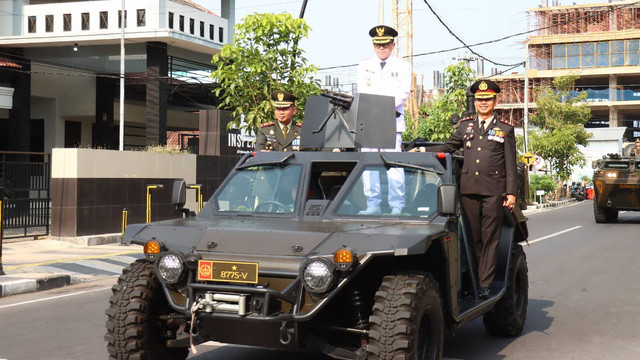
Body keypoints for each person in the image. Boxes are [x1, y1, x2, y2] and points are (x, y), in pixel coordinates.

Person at [423, 79, 517, 299]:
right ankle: (476, 278)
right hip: (469, 189)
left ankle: (485, 283)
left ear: (495, 101)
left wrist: (511, 192)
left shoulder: (505, 129)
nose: (483, 103)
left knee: (490, 238)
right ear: (475, 102)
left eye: (487, 99)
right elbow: (447, 147)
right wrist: (420, 149)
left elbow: (510, 165)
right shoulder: (465, 126)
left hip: (494, 191)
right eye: (479, 100)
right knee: (473, 238)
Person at [356, 25, 412, 215]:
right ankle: (373, 204)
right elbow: (362, 92)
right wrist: (374, 109)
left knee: (393, 163)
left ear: (392, 44)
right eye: (378, 45)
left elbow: (403, 92)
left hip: (391, 119)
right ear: (373, 45)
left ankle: (397, 204)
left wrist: (382, 107)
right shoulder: (364, 66)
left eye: (385, 44)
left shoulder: (403, 66)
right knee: (369, 163)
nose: (382, 48)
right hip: (370, 121)